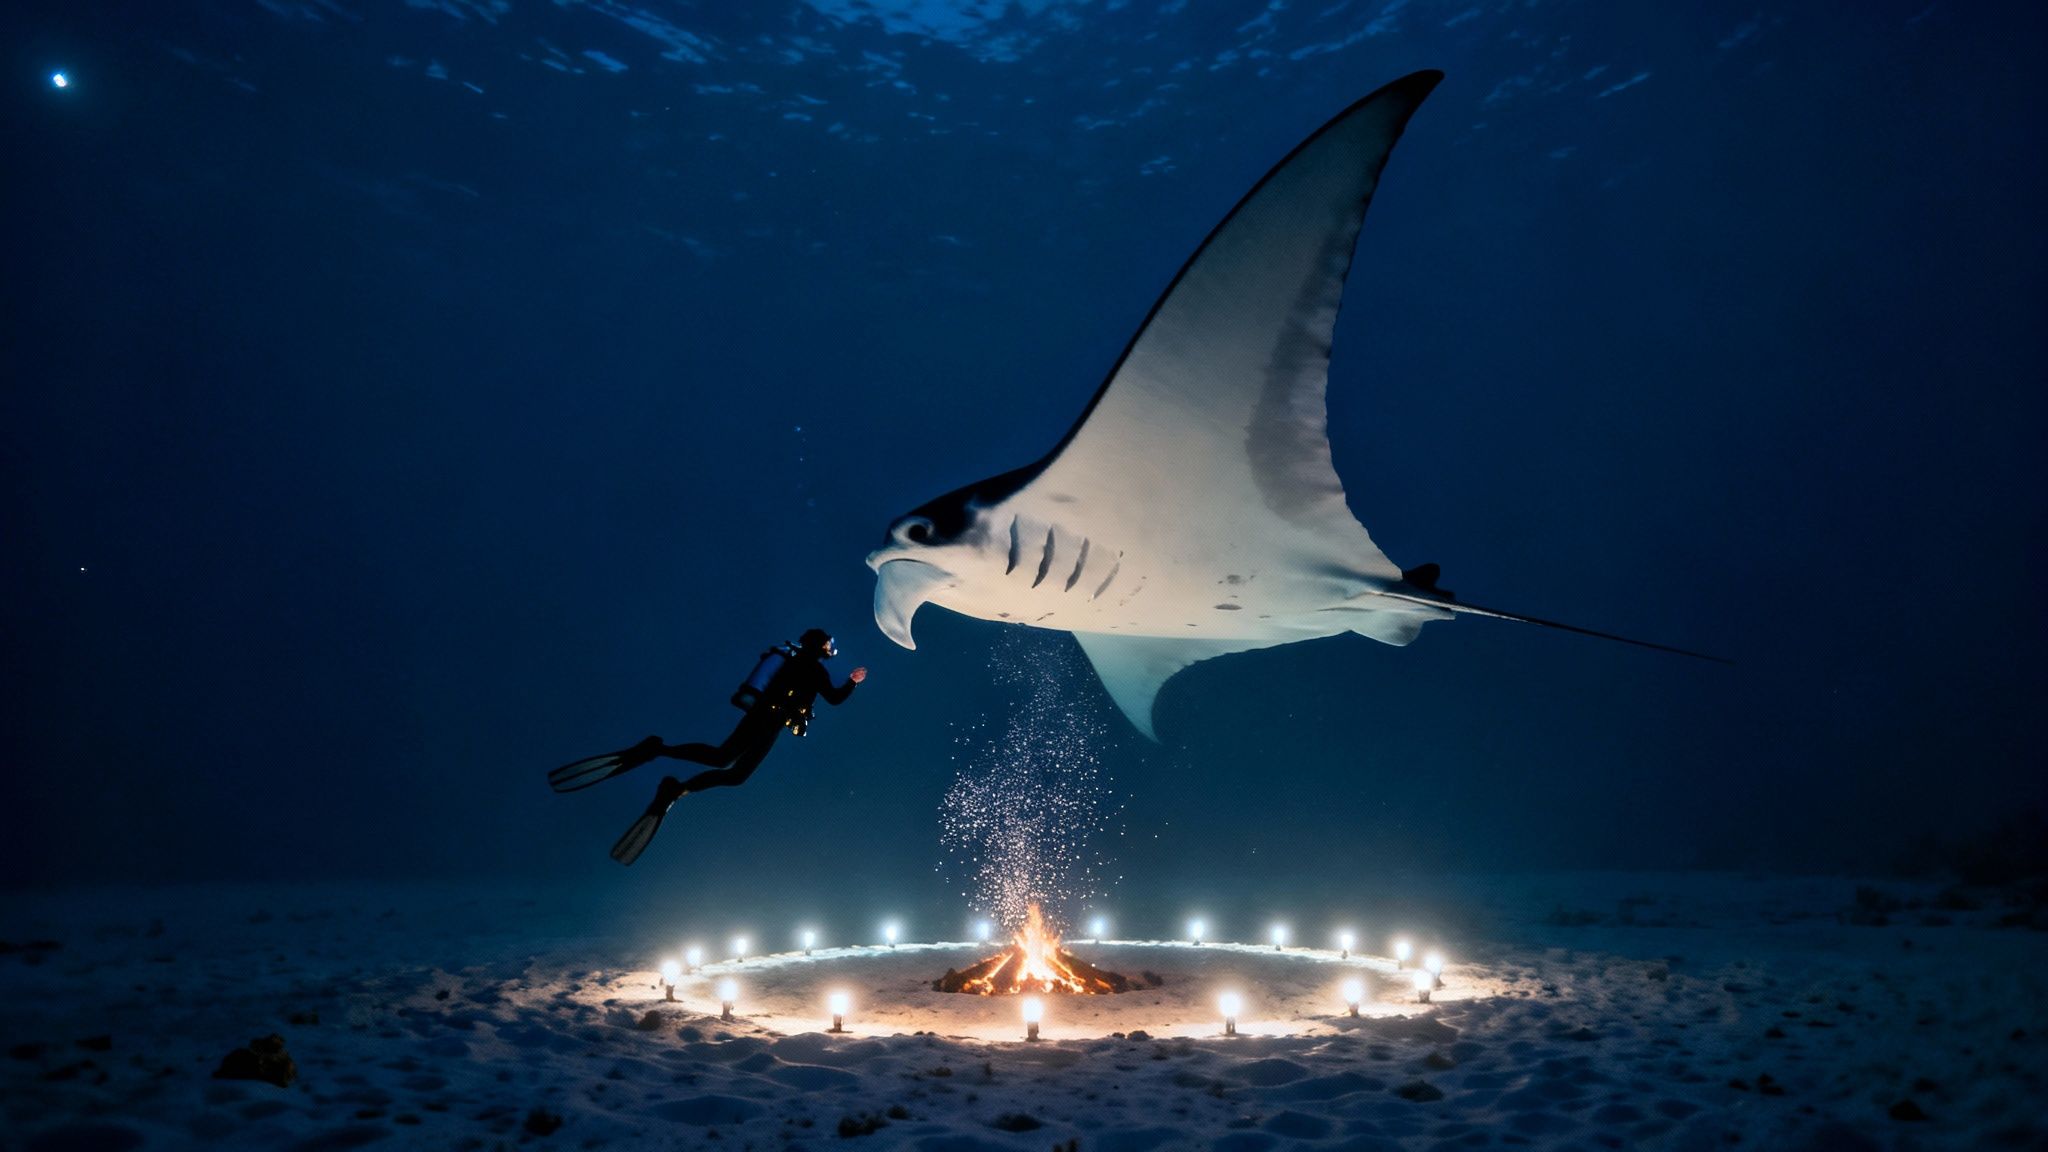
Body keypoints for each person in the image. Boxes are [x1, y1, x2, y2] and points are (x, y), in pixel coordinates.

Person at [547, 628, 867, 865]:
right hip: (769, 721)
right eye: (827, 643)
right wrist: (853, 681)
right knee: (730, 768)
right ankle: (669, 776)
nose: (830, 648)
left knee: (723, 760)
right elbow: (835, 699)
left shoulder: (794, 661)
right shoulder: (813, 668)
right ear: (820, 645)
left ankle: (664, 764)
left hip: (763, 716)